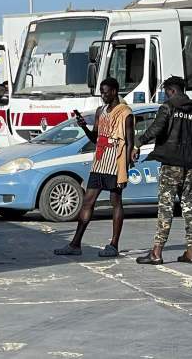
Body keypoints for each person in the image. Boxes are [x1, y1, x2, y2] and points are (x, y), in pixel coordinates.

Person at [134, 76, 192, 265]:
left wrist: (138, 144)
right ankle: (191, 251)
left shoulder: (168, 107)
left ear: (172, 91)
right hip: (190, 166)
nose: (166, 95)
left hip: (171, 165)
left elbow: (156, 129)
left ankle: (156, 252)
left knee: (165, 208)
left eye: (167, 92)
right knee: (189, 208)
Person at [54, 78, 134, 257]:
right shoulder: (100, 111)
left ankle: (113, 245)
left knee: (116, 203)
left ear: (114, 91)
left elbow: (129, 142)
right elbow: (95, 139)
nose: (103, 95)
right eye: (102, 92)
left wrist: (125, 169)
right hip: (99, 162)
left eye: (105, 92)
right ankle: (75, 244)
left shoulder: (125, 113)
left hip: (116, 162)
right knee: (88, 201)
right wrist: (84, 128)